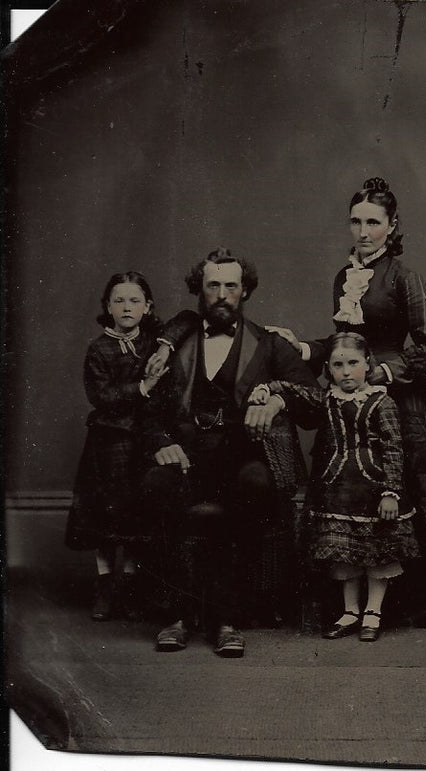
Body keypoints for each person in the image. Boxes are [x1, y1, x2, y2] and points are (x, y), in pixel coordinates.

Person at [266, 177, 426, 631]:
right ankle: (353, 607)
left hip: (400, 404)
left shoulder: (405, 279)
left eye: (373, 222)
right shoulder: (345, 278)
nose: (363, 231)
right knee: (352, 494)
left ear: (392, 225)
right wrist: (302, 347)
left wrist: (382, 374)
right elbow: (346, 344)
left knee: (409, 494)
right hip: (347, 405)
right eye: (356, 221)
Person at [139, 247, 320, 657]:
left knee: (254, 484)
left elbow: (314, 399)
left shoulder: (270, 344)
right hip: (186, 452)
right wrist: (164, 444)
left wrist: (277, 399)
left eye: (231, 286)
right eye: (213, 285)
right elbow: (147, 410)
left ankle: (227, 619)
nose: (222, 294)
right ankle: (177, 616)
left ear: (246, 291)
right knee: (155, 483)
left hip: (242, 453)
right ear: (199, 291)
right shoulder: (175, 341)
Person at [249, 332, 419, 642]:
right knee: (344, 553)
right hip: (338, 490)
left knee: (376, 553)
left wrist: (391, 491)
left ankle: (373, 612)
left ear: (368, 365)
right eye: (338, 365)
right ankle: (350, 610)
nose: (346, 371)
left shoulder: (383, 401)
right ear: (329, 369)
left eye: (353, 363)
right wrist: (266, 389)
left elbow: (395, 448)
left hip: (374, 489)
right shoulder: (328, 398)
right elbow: (294, 390)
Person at [65, 271, 167, 621]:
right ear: (107, 307)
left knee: (137, 516)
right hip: (109, 443)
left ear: (147, 306)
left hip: (142, 442)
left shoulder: (155, 343)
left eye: (135, 300)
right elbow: (101, 396)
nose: (127, 307)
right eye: (119, 300)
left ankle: (133, 587)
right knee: (108, 517)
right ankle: (106, 587)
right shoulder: (99, 348)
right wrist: (142, 387)